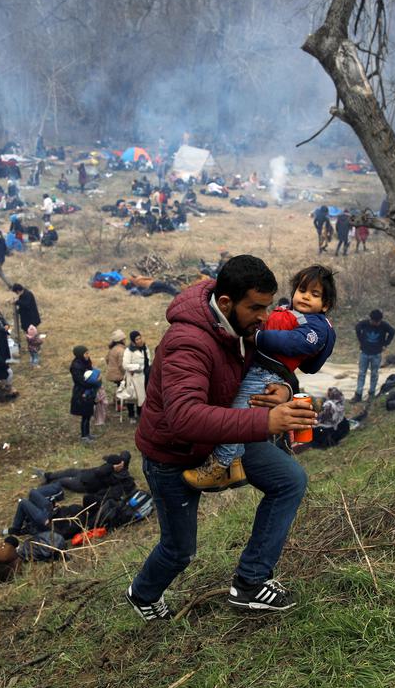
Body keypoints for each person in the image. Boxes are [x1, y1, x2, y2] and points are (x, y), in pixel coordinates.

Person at [125, 255, 318, 621]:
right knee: (179, 550)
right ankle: (144, 593)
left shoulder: (240, 327)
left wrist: (282, 388)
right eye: (256, 307)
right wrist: (266, 422)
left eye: (267, 305)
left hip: (227, 442)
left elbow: (268, 366)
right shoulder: (188, 342)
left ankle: (250, 583)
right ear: (226, 303)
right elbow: (185, 417)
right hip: (175, 457)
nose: (265, 317)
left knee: (289, 480)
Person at [183, 264, 337, 487]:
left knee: (237, 411)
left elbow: (296, 343)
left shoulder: (316, 325)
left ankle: (218, 466)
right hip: (262, 370)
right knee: (239, 409)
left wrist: (258, 338)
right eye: (302, 290)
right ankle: (234, 466)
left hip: (267, 373)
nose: (305, 297)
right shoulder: (292, 313)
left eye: (314, 295)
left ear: (326, 305)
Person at [353, 309, 395, 403]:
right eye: (374, 321)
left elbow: (392, 332)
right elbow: (357, 328)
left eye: (378, 322)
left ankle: (371, 394)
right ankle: (358, 394)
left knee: (374, 374)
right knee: (361, 373)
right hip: (364, 353)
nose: (376, 323)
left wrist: (386, 344)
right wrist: (360, 340)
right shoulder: (364, 324)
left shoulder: (384, 325)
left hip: (376, 354)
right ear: (370, 319)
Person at [41, 451, 132, 491]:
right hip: (85, 473)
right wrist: (122, 461)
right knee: (68, 471)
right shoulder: (120, 465)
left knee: (63, 481)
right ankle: (48, 476)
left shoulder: (117, 477)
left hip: (84, 484)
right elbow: (126, 453)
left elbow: (99, 473)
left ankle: (46, 488)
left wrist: (112, 468)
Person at [119, 330, 150, 422]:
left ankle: (141, 414)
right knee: (132, 397)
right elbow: (125, 365)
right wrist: (138, 367)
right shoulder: (129, 351)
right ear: (133, 341)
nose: (139, 340)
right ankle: (131, 415)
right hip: (134, 377)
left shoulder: (145, 348)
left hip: (145, 376)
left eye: (140, 338)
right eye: (137, 339)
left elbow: (148, 360)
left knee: (143, 397)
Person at [70, 347, 97, 442]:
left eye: (88, 353)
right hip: (81, 392)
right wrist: (93, 382)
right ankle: (84, 435)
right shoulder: (76, 366)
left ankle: (88, 433)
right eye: (86, 353)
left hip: (89, 390)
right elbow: (80, 380)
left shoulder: (86, 362)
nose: (88, 355)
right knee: (84, 414)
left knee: (88, 413)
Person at [105, 329, 127, 402]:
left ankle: (116, 401)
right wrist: (125, 373)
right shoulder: (121, 350)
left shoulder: (112, 349)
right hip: (118, 374)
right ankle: (119, 403)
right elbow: (121, 365)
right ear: (121, 340)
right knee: (122, 387)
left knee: (119, 386)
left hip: (112, 373)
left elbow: (107, 359)